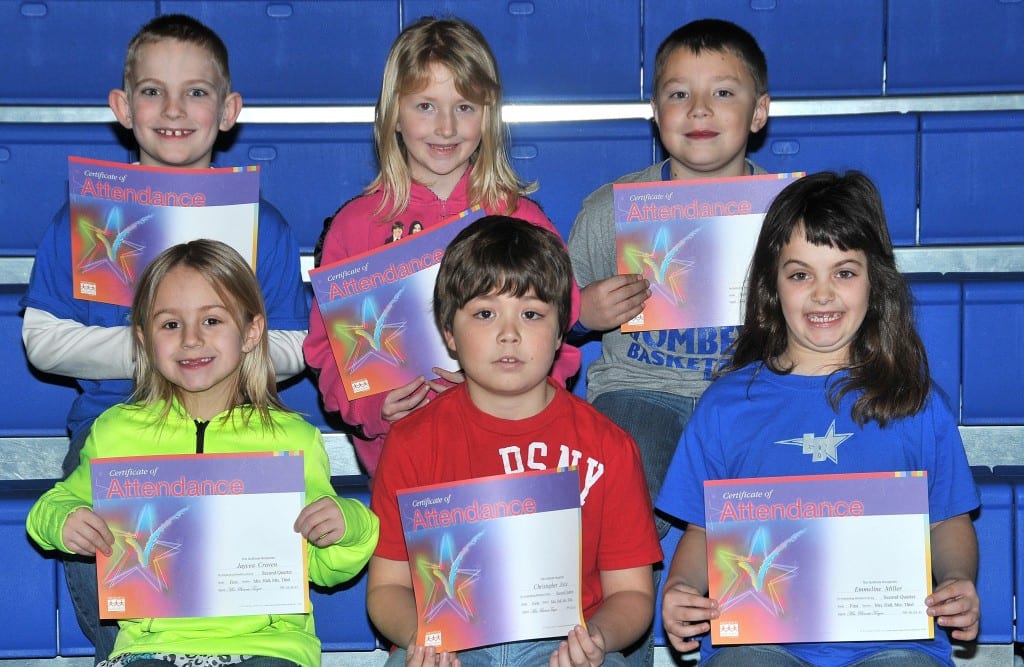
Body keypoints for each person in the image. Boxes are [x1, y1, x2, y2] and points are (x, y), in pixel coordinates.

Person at [19, 14, 309, 662]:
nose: (174, 109)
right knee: (94, 526)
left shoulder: (262, 223)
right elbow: (39, 337)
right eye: (152, 91)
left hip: (240, 427)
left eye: (197, 92)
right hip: (116, 428)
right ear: (122, 107)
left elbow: (292, 342)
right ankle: (121, 653)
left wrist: (219, 354)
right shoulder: (86, 218)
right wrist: (155, 351)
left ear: (229, 110)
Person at [657, 172, 980, 666]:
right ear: (772, 284)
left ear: (876, 281)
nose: (823, 294)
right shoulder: (726, 407)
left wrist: (958, 582)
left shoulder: (914, 403)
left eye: (845, 273)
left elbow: (948, 520)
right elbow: (703, 531)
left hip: (893, 644)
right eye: (801, 274)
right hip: (759, 643)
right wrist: (681, 589)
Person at [25, 240, 378, 667]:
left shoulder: (293, 438)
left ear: (250, 332)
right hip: (149, 649)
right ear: (144, 339)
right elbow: (54, 505)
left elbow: (326, 567)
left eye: (211, 320)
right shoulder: (116, 432)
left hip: (269, 648)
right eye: (170, 325)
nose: (191, 340)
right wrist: (64, 522)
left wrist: (346, 526)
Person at [366, 216, 662, 667]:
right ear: (448, 332)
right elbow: (387, 588)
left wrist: (597, 638)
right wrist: (422, 638)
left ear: (562, 331)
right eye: (485, 314)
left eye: (532, 314)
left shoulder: (609, 446)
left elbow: (632, 595)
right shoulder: (412, 441)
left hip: (563, 644)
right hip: (452, 647)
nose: (509, 334)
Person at [305, 16, 580, 477]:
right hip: (405, 462)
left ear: (489, 113)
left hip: (509, 452)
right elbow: (328, 354)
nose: (447, 127)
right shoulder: (355, 227)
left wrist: (521, 395)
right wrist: (375, 408)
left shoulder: (521, 220)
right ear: (394, 112)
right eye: (426, 106)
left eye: (466, 107)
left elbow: (558, 334)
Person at [567, 18, 771, 537]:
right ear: (656, 113)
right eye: (679, 94)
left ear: (759, 112)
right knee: (619, 503)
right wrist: (583, 311)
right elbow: (549, 313)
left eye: (723, 92)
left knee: (776, 503)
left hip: (756, 389)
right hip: (639, 390)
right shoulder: (607, 211)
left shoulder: (790, 213)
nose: (699, 109)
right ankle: (609, 617)